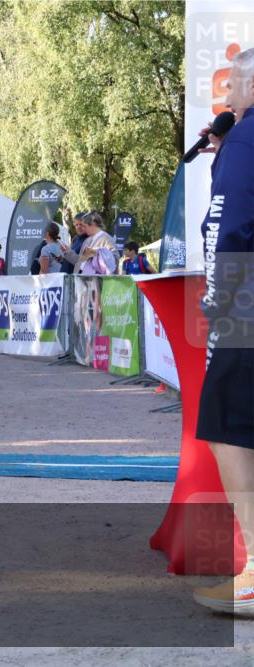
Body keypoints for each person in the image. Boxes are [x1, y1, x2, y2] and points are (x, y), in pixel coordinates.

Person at [190, 46, 254, 616]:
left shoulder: (247, 141)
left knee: (225, 425)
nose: (227, 99)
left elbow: (230, 225)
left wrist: (220, 298)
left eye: (232, 88)